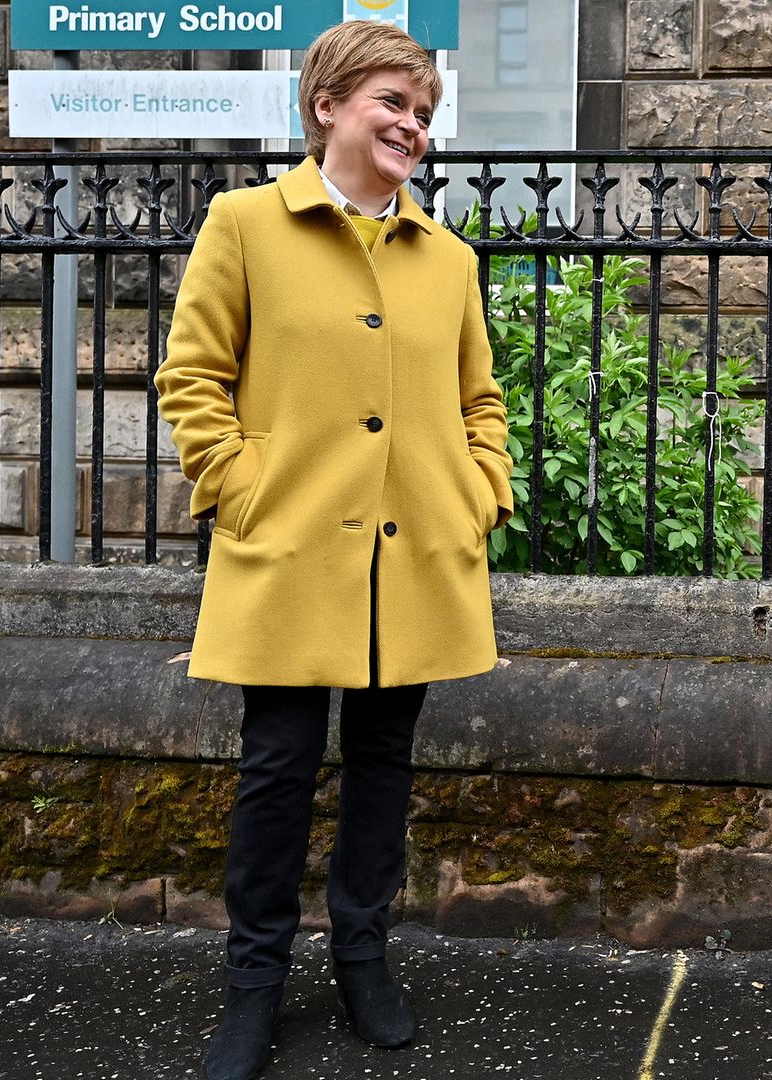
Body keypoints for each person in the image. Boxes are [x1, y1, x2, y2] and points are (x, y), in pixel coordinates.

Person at [154, 20, 513, 1080]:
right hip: (290, 544)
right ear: (328, 105)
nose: (412, 125)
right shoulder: (245, 223)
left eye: (423, 112)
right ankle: (253, 985)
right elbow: (192, 378)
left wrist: (477, 491)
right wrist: (241, 490)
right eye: (394, 103)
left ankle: (364, 957)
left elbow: (478, 398)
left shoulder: (448, 256)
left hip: (416, 551)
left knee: (385, 768)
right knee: (275, 768)